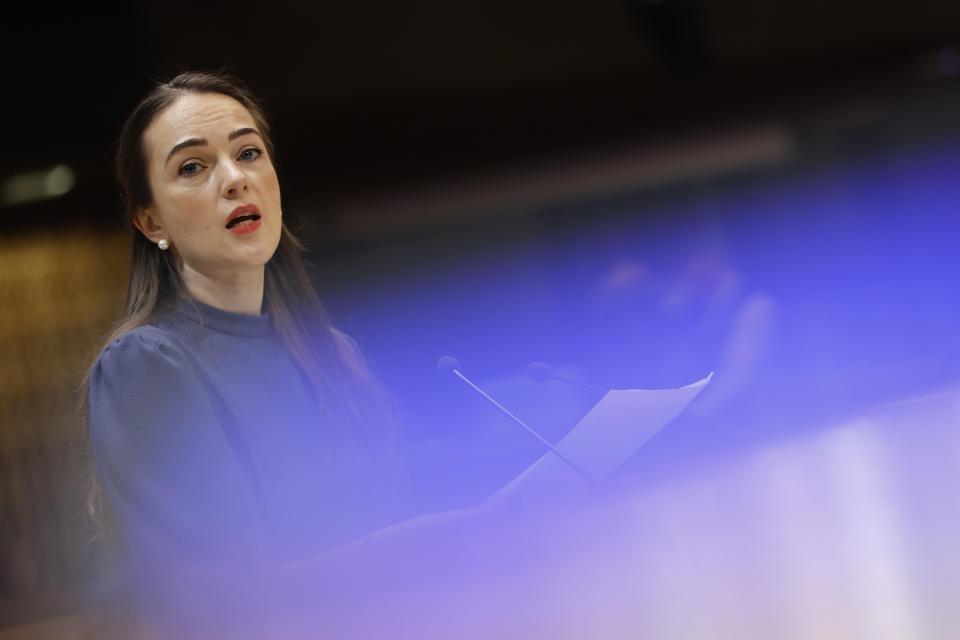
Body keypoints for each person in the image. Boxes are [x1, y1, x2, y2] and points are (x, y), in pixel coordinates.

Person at [81, 71, 404, 634]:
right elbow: (222, 593)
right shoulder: (145, 365)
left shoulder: (333, 352)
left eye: (249, 152)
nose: (234, 179)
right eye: (192, 167)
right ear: (151, 222)